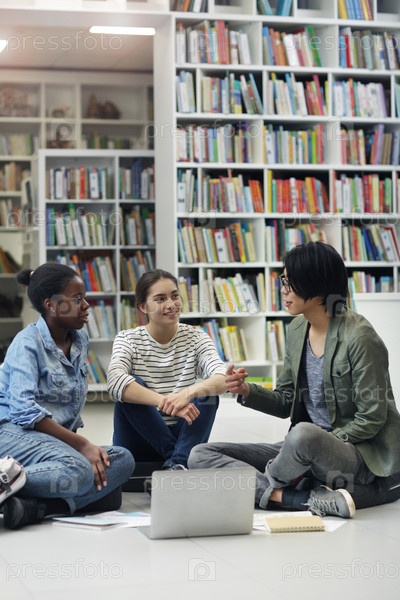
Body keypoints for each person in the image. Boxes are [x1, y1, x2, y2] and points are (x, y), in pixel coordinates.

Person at [188, 241, 400, 518]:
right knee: (201, 454)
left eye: (289, 282)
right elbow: (285, 401)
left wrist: (317, 446)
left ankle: (271, 484)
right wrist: (246, 390)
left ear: (317, 283)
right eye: (283, 281)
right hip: (303, 450)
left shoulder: (360, 337)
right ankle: (295, 497)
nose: (283, 290)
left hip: (358, 453)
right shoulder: (298, 328)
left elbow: (371, 418)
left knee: (303, 435)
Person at [0, 264, 135, 530]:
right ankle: (11, 483)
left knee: (122, 460)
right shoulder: (27, 343)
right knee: (82, 473)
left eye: (84, 297)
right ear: (51, 305)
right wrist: (82, 445)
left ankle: (34, 508)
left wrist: (81, 449)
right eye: (77, 299)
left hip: (48, 442)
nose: (86, 305)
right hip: (11, 433)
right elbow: (24, 412)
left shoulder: (80, 338)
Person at [107, 268, 227, 483]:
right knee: (130, 386)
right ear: (143, 307)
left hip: (182, 434)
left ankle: (176, 464)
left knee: (207, 392)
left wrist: (187, 393)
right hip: (139, 440)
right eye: (160, 299)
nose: (171, 304)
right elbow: (115, 381)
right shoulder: (127, 339)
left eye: (175, 296)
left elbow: (222, 376)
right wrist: (166, 402)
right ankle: (179, 460)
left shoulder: (196, 337)